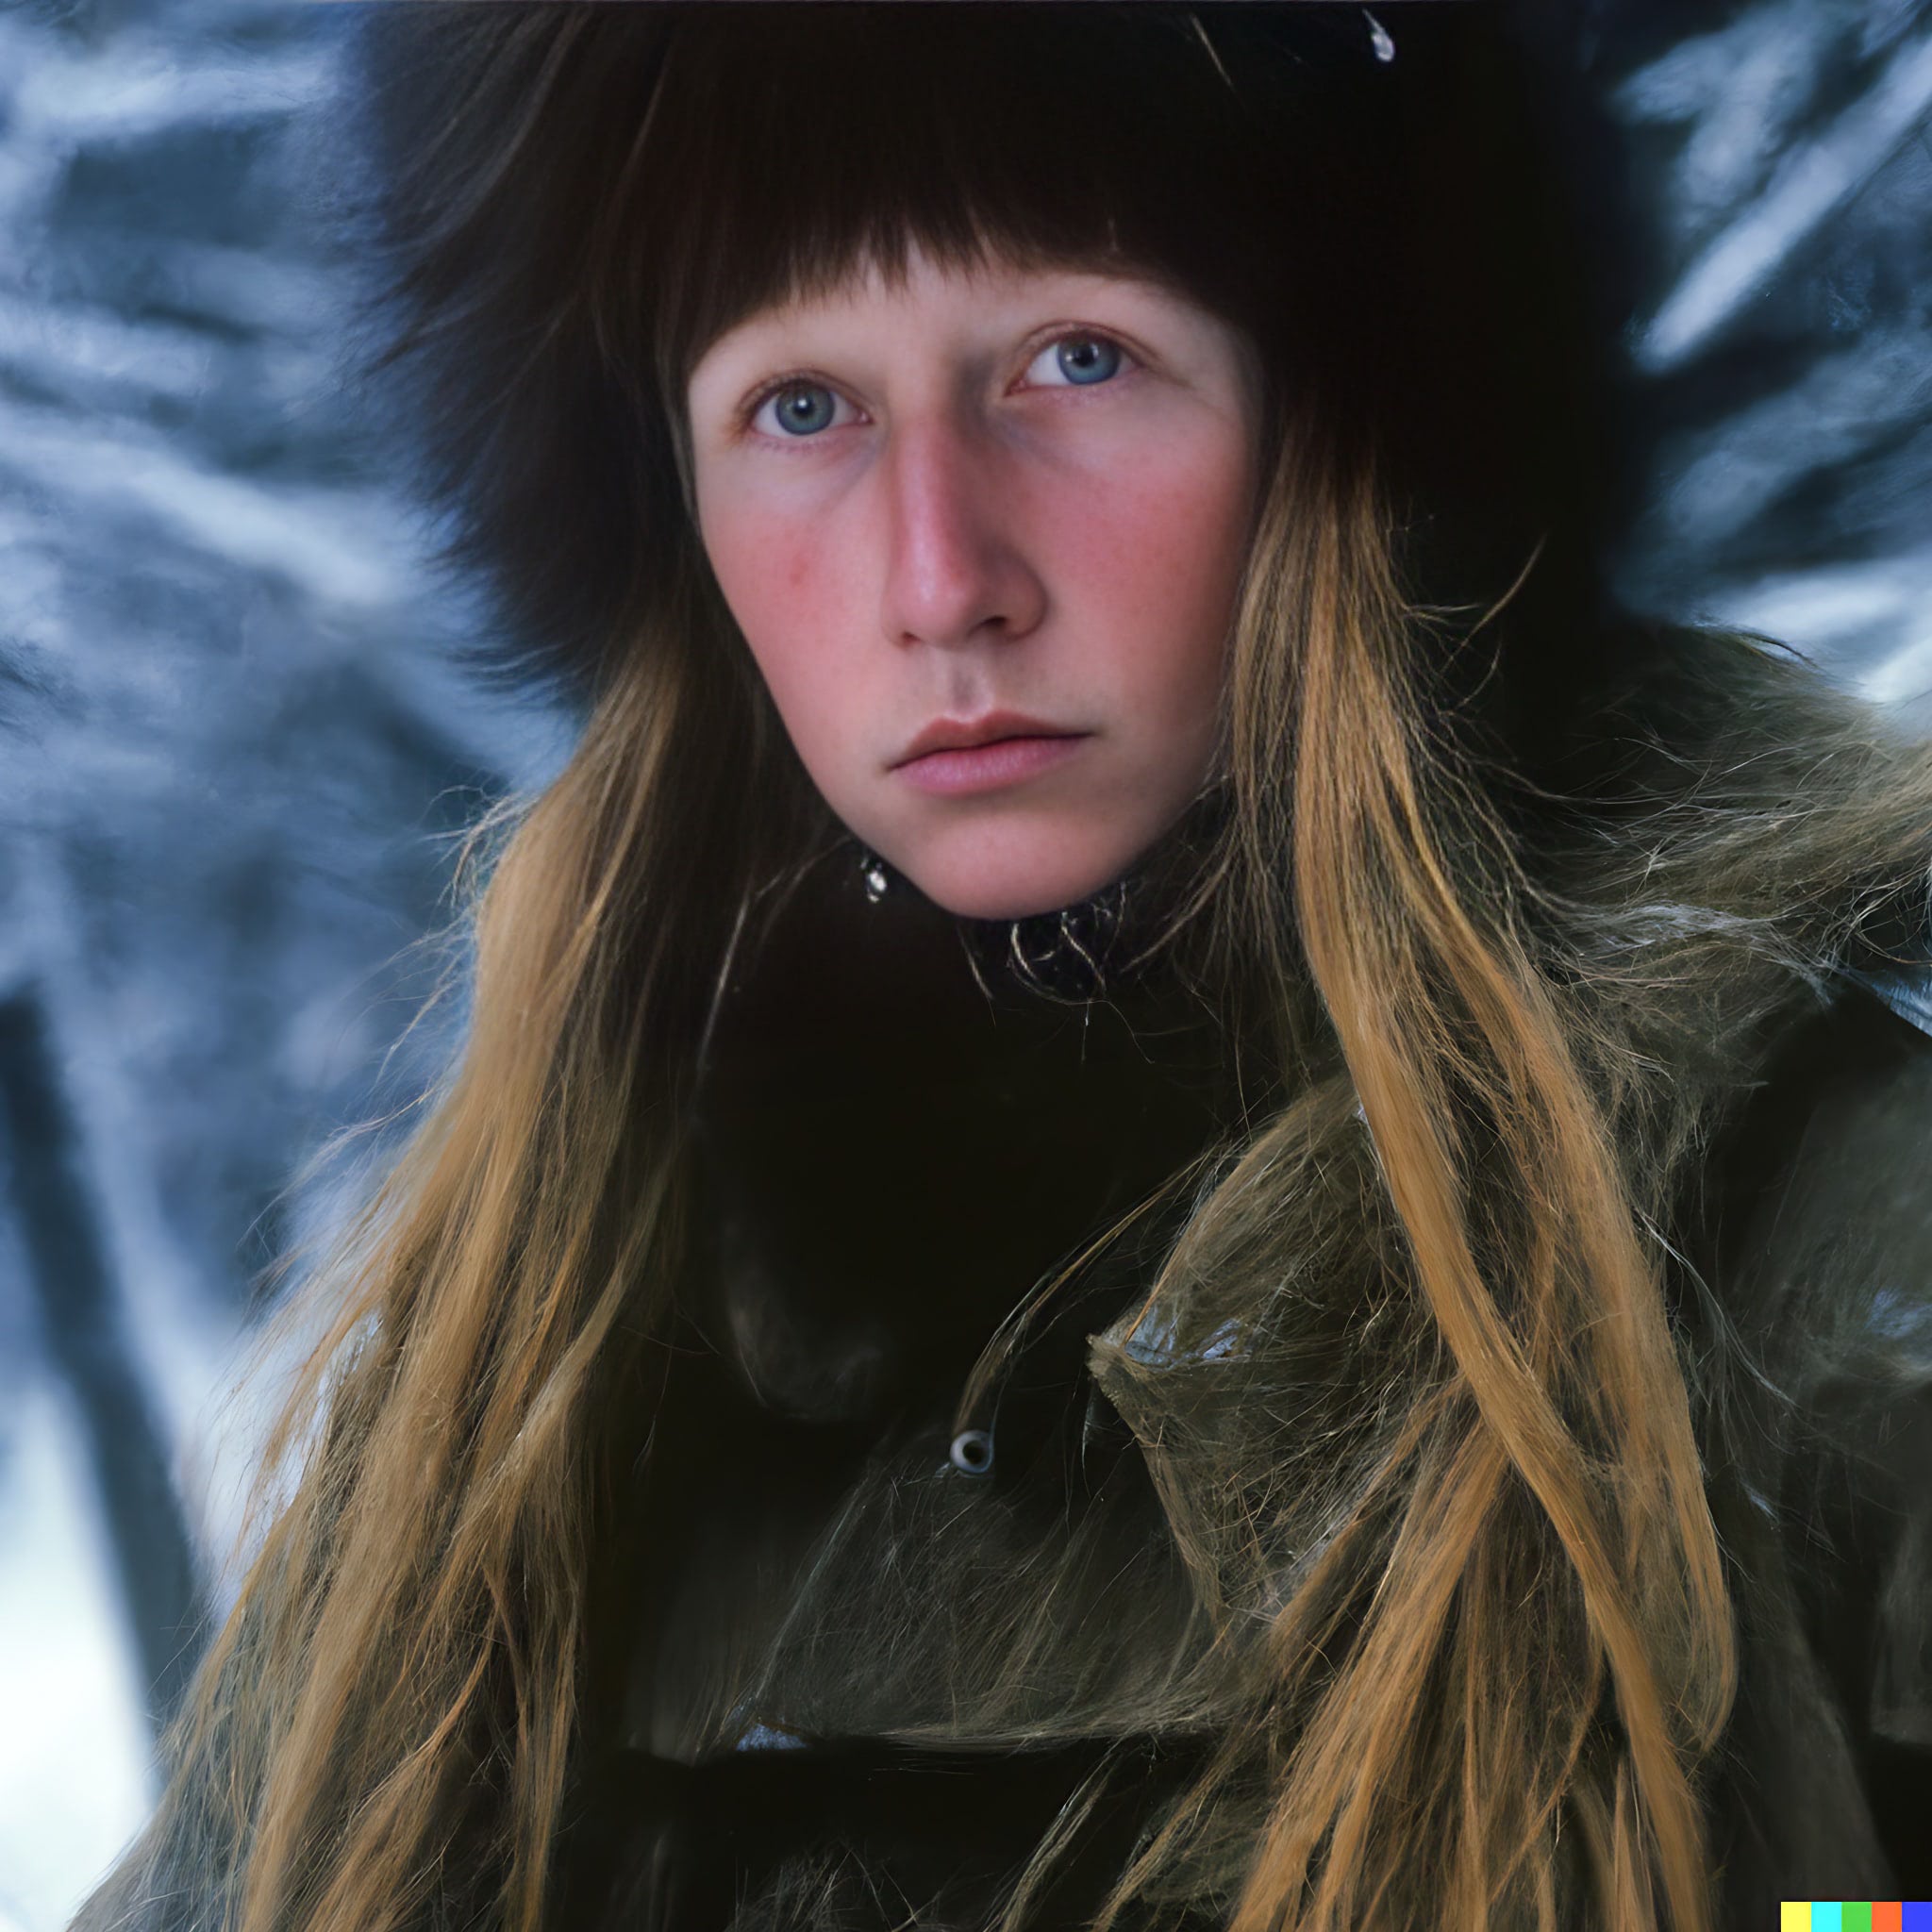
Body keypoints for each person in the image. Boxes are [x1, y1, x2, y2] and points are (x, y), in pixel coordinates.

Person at [75, 6, 1932, 1930]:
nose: (939, 574)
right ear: (658, 510)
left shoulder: (1836, 1227)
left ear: (1346, 404)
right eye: (800, 405)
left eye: (1073, 358)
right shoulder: (537, 1350)